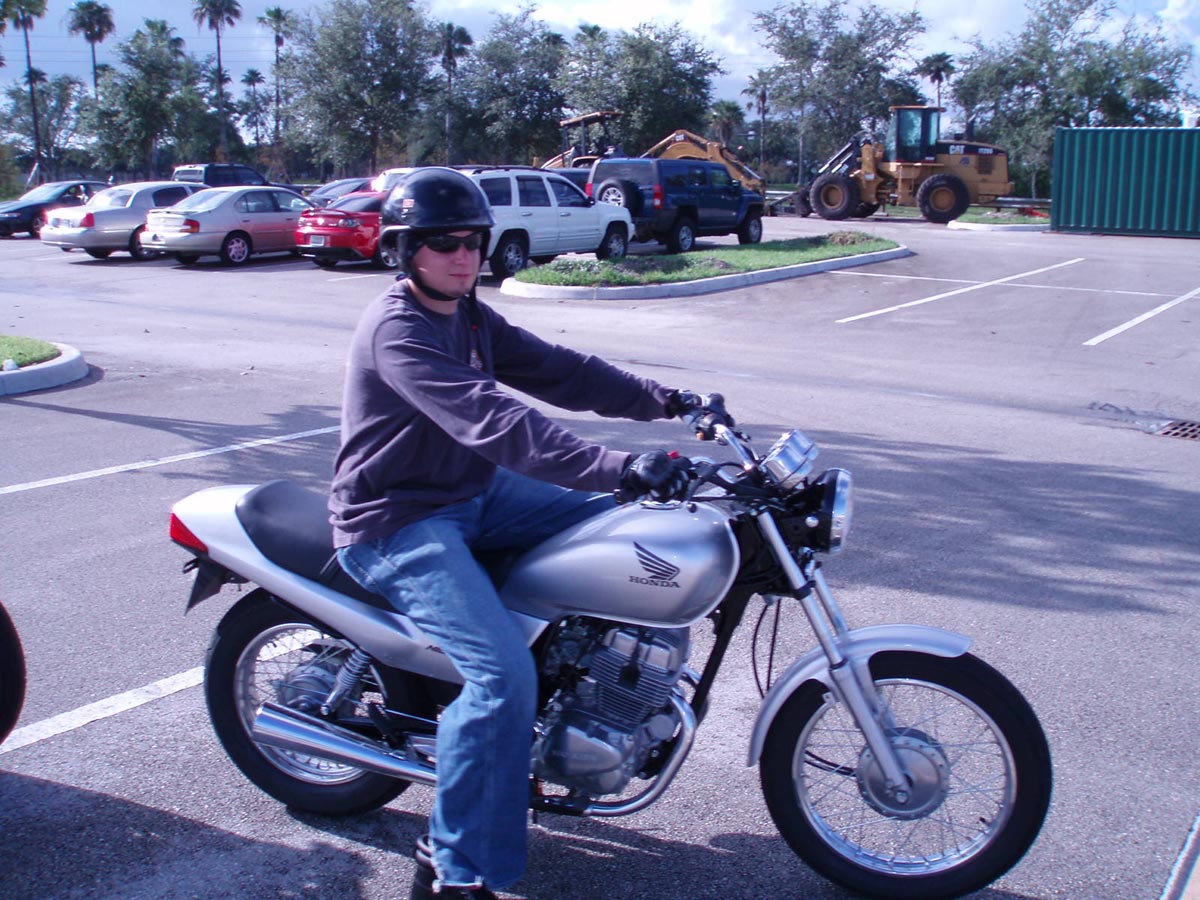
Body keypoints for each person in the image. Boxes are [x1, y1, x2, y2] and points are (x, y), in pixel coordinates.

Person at [329, 167, 699, 900]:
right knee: (501, 679)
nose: (462, 255)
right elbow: (495, 421)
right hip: (396, 517)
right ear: (404, 249)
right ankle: (454, 867)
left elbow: (559, 372)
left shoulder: (468, 314)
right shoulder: (398, 329)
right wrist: (618, 465)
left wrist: (669, 401)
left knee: (635, 532)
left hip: (471, 492)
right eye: (443, 242)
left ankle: (582, 696)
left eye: (473, 240)